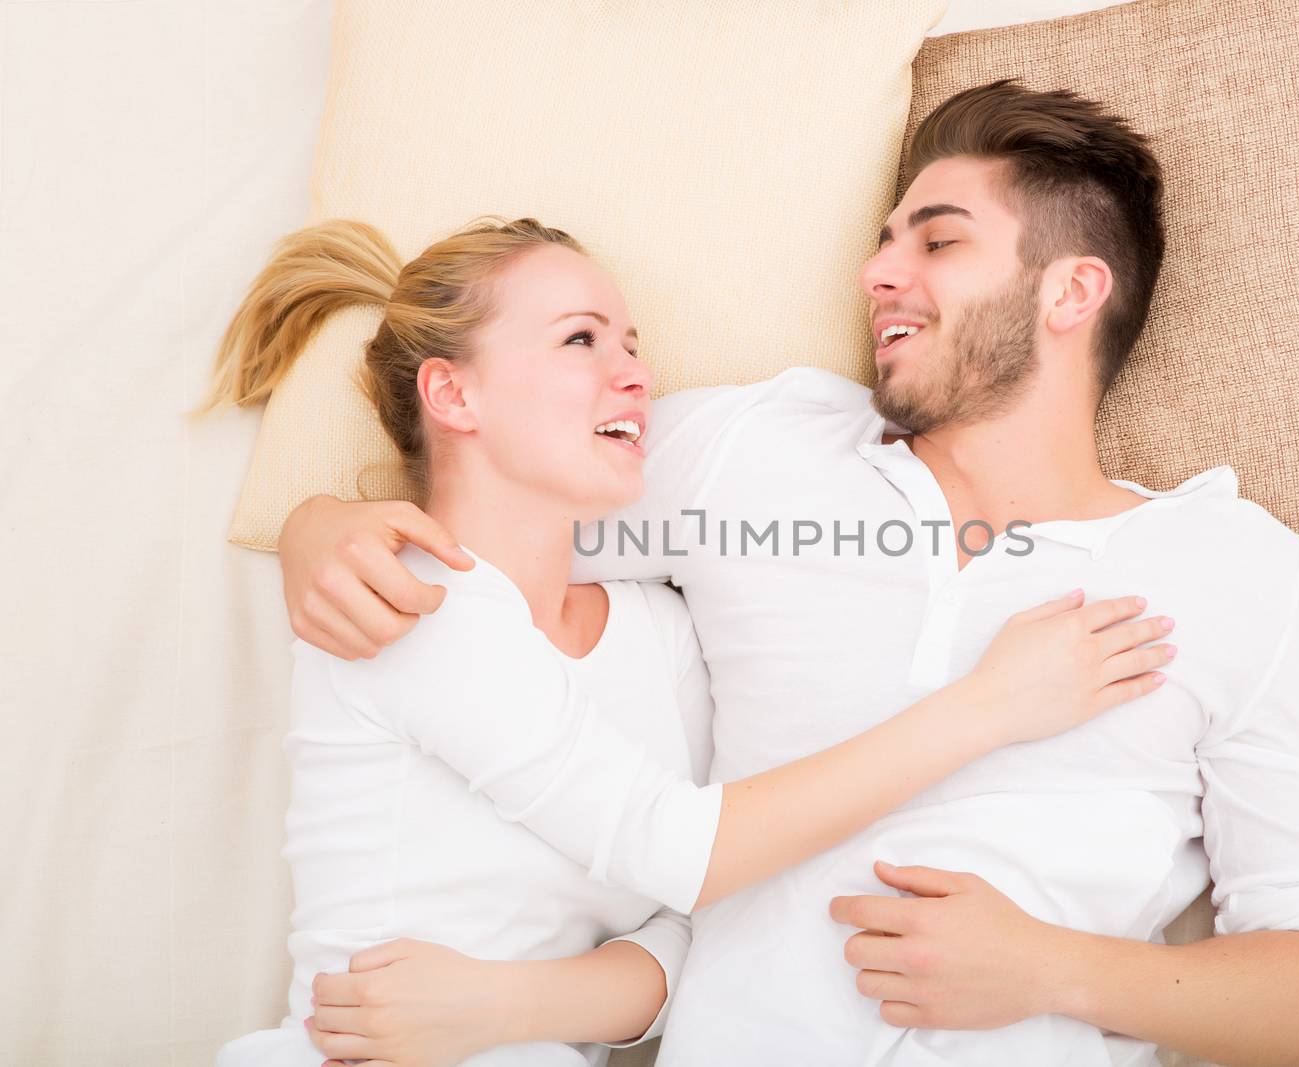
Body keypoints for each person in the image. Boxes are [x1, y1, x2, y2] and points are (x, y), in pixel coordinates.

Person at [281, 81, 1299, 1067]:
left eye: (937, 243)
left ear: (1070, 291)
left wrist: (1056, 969)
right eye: (882, 241)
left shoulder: (1228, 566)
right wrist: (319, 523)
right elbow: (499, 475)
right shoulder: (749, 452)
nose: (876, 272)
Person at [204, 214, 1173, 1067]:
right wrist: (987, 706)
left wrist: (498, 1005)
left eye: (632, 340)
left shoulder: (661, 628)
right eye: (581, 339)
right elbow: (681, 850)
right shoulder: (410, 600)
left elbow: (698, 918)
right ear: (454, 397)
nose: (635, 371)